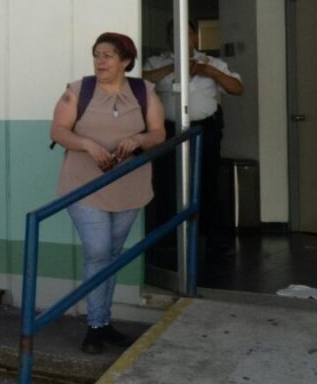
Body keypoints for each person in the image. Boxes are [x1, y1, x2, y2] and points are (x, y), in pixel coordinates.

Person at [50, 32, 166, 354]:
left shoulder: (143, 91)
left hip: (129, 184)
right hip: (83, 184)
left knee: (111, 256)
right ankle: (95, 325)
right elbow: (58, 131)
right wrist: (86, 144)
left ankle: (102, 323)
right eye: (96, 55)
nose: (100, 62)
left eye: (108, 55)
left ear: (126, 61)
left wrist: (139, 140)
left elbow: (158, 133)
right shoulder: (78, 91)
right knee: (99, 252)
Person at [143, 21, 244, 255]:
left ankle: (214, 237)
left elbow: (237, 88)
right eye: (174, 34)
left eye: (186, 34)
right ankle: (167, 238)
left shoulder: (212, 63)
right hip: (168, 130)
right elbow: (139, 82)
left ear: (195, 37)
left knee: (207, 180)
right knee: (166, 181)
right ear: (168, 39)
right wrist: (173, 67)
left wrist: (210, 72)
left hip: (205, 129)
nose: (180, 38)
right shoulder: (157, 62)